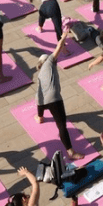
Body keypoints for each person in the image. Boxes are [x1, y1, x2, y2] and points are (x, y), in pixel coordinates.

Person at [35, 29, 84, 159]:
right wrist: (63, 37)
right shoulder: (49, 62)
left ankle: (40, 117)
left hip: (41, 100)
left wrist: (39, 114)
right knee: (61, 125)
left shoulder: (39, 74)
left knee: (42, 107)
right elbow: (58, 48)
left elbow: (38, 98)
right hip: (54, 98)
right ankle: (71, 152)